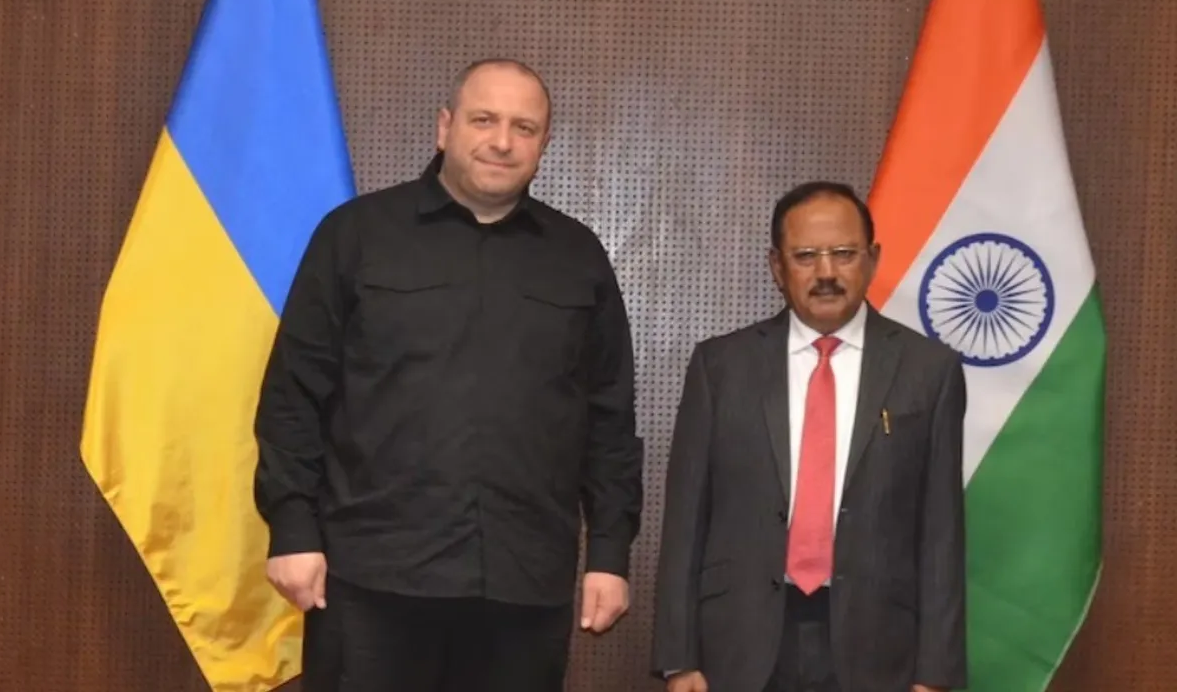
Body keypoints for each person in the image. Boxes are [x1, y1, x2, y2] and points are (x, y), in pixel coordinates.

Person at [252, 58, 643, 692]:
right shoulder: (356, 235)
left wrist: (609, 553)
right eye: (483, 120)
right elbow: (293, 396)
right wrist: (292, 528)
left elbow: (609, 421)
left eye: (523, 127)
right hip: (371, 580)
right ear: (444, 127)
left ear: (543, 143)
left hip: (524, 588)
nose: (502, 141)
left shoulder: (578, 256)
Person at [651, 182, 968, 692]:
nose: (826, 273)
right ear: (777, 267)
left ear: (872, 259)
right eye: (805, 256)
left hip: (878, 647)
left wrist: (935, 674)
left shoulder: (929, 370)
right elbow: (686, 520)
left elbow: (941, 533)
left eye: (844, 254)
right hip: (739, 643)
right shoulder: (721, 367)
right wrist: (678, 658)